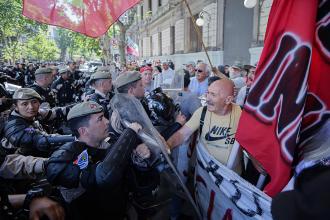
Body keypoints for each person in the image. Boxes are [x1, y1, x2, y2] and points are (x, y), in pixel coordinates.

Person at [46, 101, 143, 220]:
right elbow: (104, 177)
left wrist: (139, 154)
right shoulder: (65, 159)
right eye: (100, 119)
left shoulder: (109, 141)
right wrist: (130, 133)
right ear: (83, 131)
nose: (107, 121)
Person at [167, 79, 242, 173]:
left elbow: (251, 144)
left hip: (231, 179)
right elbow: (182, 134)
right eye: (208, 93)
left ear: (228, 100)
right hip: (204, 176)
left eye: (213, 95)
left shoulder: (242, 114)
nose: (207, 99)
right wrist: (168, 145)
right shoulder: (202, 112)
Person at [1, 88, 74, 157]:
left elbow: (57, 112)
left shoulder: (35, 113)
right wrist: (74, 138)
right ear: (16, 107)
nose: (31, 107)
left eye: (34, 102)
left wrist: (80, 108)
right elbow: (41, 140)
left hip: (39, 153)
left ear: (39, 103)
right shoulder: (13, 125)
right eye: (24, 104)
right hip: (20, 164)